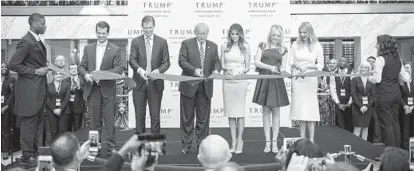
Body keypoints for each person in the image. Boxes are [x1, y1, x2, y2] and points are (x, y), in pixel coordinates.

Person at [8, 12, 48, 167]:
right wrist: (35, 71)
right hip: (29, 92)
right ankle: (26, 157)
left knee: (37, 125)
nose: (45, 26)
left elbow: (31, 62)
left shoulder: (36, 40)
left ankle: (34, 153)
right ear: (34, 24)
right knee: (28, 125)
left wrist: (44, 67)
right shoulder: (26, 41)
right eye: (43, 23)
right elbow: (13, 64)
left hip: (37, 91)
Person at [79, 21, 123, 156]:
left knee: (109, 120)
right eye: (99, 33)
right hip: (92, 89)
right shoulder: (88, 48)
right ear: (96, 32)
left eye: (103, 33)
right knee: (94, 121)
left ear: (108, 33)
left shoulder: (115, 49)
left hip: (108, 88)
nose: (101, 36)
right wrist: (86, 74)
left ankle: (111, 148)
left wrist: (101, 75)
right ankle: (93, 147)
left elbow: (119, 68)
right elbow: (81, 66)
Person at [178, 23, 222, 154]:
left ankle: (202, 146)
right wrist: (194, 70)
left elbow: (217, 61)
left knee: (203, 119)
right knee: (187, 118)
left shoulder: (213, 46)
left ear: (207, 33)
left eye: (204, 34)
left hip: (205, 87)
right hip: (189, 86)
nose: (202, 36)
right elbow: (181, 61)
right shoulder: (186, 44)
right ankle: (186, 146)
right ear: (195, 32)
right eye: (199, 33)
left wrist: (216, 69)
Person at [129, 15, 171, 135]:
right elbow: (132, 60)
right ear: (142, 27)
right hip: (139, 84)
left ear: (154, 26)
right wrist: (140, 70)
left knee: (155, 117)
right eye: (145, 28)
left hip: (156, 84)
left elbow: (167, 62)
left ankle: (154, 148)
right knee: (139, 117)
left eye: (150, 27)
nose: (148, 30)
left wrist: (158, 71)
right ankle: (140, 148)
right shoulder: (135, 42)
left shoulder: (162, 42)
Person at [253, 24, 289, 153]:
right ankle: (267, 142)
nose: (276, 37)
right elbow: (256, 62)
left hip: (277, 81)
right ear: (270, 34)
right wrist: (270, 67)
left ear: (281, 36)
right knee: (266, 112)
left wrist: (285, 72)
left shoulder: (284, 49)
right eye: (274, 35)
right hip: (264, 79)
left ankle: (275, 143)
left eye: (278, 35)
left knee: (276, 112)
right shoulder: (262, 45)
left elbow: (283, 67)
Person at [368, 35, 410, 147]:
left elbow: (377, 79)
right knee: (395, 122)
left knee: (385, 123)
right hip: (396, 94)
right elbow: (405, 78)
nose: (376, 45)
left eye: (377, 43)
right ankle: (397, 151)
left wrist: (369, 77)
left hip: (384, 94)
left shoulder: (380, 59)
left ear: (383, 45)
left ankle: (390, 152)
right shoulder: (398, 60)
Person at [288, 22, 324, 143]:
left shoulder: (317, 45)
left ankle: (312, 140)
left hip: (310, 80)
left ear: (310, 32)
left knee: (310, 110)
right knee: (300, 110)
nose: (302, 35)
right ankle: (302, 139)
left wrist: (308, 66)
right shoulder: (295, 44)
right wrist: (296, 65)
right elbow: (290, 61)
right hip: (298, 80)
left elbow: (320, 65)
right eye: (300, 32)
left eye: (305, 32)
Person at [220, 23, 250, 154]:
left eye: (237, 33)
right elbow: (222, 64)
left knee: (240, 112)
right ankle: (232, 141)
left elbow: (248, 66)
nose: (235, 36)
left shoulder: (245, 47)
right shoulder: (224, 46)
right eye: (232, 33)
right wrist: (227, 69)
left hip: (240, 80)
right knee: (231, 113)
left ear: (241, 34)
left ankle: (240, 140)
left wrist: (240, 72)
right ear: (229, 34)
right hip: (228, 80)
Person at [351, 62, 376, 141]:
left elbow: (373, 95)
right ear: (359, 68)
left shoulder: (371, 79)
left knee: (365, 128)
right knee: (357, 127)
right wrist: (361, 106)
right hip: (357, 107)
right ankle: (355, 147)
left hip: (368, 108)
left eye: (365, 68)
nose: (363, 69)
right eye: (362, 67)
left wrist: (367, 106)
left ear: (369, 69)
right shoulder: (355, 79)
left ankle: (364, 147)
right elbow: (353, 93)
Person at [330, 57, 353, 132]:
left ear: (347, 63)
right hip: (338, 102)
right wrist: (338, 103)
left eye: (343, 61)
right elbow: (332, 89)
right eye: (340, 60)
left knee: (349, 124)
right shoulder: (333, 74)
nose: (341, 62)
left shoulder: (351, 73)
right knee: (340, 125)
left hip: (349, 103)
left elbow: (353, 89)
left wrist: (349, 103)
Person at [46, 71, 71, 141]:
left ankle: (62, 149)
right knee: (53, 131)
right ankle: (54, 149)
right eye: (56, 74)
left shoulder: (66, 85)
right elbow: (47, 99)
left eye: (60, 74)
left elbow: (67, 98)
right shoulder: (48, 86)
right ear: (53, 76)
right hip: (51, 111)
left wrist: (60, 109)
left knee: (63, 132)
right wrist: (54, 109)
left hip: (64, 111)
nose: (58, 75)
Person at [366, 56, 383, 145]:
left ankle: (377, 140)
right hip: (365, 102)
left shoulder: (378, 73)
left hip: (376, 101)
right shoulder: (363, 72)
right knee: (366, 122)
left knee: (376, 121)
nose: (371, 63)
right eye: (369, 61)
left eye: (373, 62)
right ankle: (366, 139)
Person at [64, 63, 85, 131]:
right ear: (69, 70)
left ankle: (77, 141)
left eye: (75, 69)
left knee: (78, 129)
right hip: (67, 109)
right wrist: (69, 89)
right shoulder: (65, 81)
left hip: (79, 108)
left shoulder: (83, 80)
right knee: (67, 129)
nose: (73, 70)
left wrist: (79, 87)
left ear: (78, 70)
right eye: (71, 69)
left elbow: (86, 92)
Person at [1, 62, 16, 160]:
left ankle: (5, 151)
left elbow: (13, 94)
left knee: (5, 130)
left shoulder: (11, 79)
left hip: (5, 108)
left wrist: (6, 106)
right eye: (1, 67)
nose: (3, 68)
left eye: (5, 67)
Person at [398, 62, 413, 149]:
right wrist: (405, 106)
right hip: (404, 108)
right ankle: (406, 147)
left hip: (413, 107)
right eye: (405, 68)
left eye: (408, 68)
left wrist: (412, 106)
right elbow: (399, 96)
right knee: (405, 128)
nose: (406, 69)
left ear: (411, 69)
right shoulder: (401, 82)